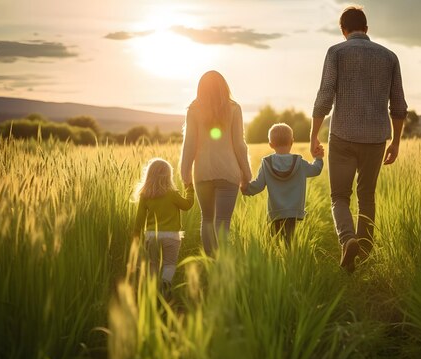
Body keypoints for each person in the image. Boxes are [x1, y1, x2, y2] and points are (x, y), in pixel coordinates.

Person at [310, 6, 408, 273]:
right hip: (376, 139)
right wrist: (396, 141)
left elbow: (325, 96)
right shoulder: (390, 57)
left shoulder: (336, 52)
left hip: (342, 136)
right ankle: (364, 254)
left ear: (344, 30)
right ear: (366, 28)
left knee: (339, 196)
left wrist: (313, 135)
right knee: (367, 196)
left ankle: (347, 239)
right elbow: (398, 105)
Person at [180, 70, 252, 256]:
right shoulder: (234, 108)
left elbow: (189, 144)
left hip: (202, 173)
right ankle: (222, 263)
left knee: (207, 219)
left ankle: (210, 260)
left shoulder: (193, 109)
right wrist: (247, 173)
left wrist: (185, 172)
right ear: (224, 86)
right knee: (223, 222)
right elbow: (239, 144)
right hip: (229, 172)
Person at [241, 123, 324, 245]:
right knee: (290, 241)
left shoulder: (266, 163)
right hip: (293, 211)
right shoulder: (299, 162)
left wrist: (245, 188)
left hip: (275, 212)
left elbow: (257, 186)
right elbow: (315, 170)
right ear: (292, 142)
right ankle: (291, 260)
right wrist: (319, 158)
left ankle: (277, 261)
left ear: (271, 144)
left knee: (275, 243)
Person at [133, 158, 194, 291]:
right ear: (168, 176)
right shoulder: (172, 194)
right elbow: (187, 205)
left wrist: (136, 236)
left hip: (152, 235)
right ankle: (165, 284)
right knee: (169, 264)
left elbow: (139, 219)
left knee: (153, 264)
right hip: (171, 236)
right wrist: (190, 189)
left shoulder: (145, 195)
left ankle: (153, 288)